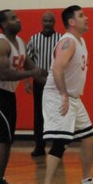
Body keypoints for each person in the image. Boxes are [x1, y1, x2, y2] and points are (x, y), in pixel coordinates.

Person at [37, 5, 93, 184]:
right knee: (60, 142)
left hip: (74, 97)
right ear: (71, 21)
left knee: (89, 138)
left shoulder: (81, 41)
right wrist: (62, 95)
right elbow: (58, 68)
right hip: (58, 96)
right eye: (81, 15)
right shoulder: (68, 42)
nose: (86, 18)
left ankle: (86, 183)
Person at [0, 9, 45, 184]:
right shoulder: (0, 44)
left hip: (8, 94)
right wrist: (31, 74)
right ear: (3, 24)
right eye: (13, 18)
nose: (18, 20)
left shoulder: (19, 43)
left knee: (8, 139)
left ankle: (0, 180)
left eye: (18, 17)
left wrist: (52, 84)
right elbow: (4, 74)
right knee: (0, 140)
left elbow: (33, 68)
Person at [25, 11, 61, 157]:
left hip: (56, 81)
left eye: (50, 21)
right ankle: (39, 146)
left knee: (56, 113)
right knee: (39, 114)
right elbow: (27, 62)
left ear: (54, 22)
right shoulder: (34, 39)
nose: (47, 24)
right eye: (45, 21)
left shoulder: (61, 39)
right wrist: (27, 82)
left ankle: (56, 146)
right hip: (39, 82)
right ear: (42, 22)